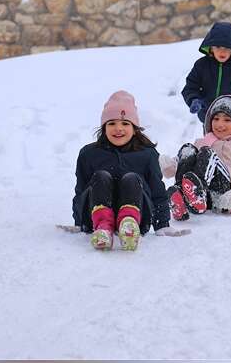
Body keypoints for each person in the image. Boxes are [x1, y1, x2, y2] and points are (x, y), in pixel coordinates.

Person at [71, 91, 170, 251]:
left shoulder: (147, 154)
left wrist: (162, 224)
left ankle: (128, 224)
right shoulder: (89, 154)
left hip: (138, 216)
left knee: (132, 178)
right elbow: (81, 189)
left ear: (135, 128)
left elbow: (157, 190)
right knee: (101, 176)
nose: (118, 129)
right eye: (111, 123)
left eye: (125, 124)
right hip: (95, 216)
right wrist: (79, 221)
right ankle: (103, 226)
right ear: (103, 127)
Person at [166, 94, 231, 220]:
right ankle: (181, 196)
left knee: (207, 153)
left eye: (227, 120)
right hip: (206, 197)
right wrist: (168, 165)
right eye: (216, 119)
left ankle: (197, 193)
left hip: (225, 195)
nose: (219, 124)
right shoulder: (202, 141)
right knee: (188, 149)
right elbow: (182, 164)